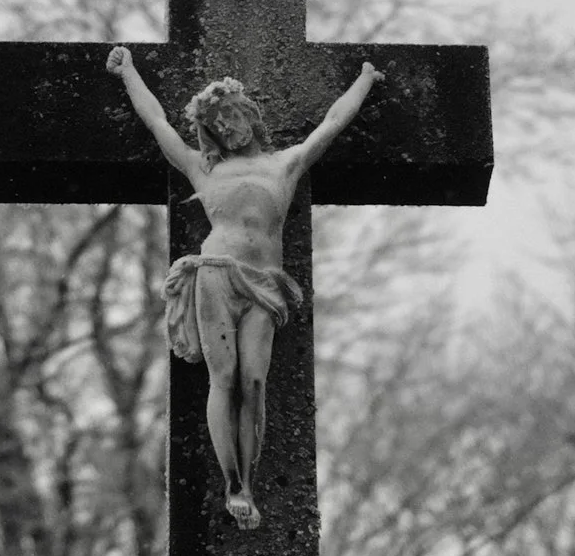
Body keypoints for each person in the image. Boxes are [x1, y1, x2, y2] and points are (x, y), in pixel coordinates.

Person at [105, 45, 385, 528]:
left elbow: (334, 123)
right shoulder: (203, 167)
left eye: (232, 117)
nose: (228, 129)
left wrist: (364, 79)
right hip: (215, 272)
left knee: (254, 382)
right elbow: (157, 123)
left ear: (250, 116)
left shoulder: (286, 164)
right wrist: (128, 72)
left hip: (265, 284)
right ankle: (234, 484)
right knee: (225, 378)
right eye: (217, 125)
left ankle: (249, 481)